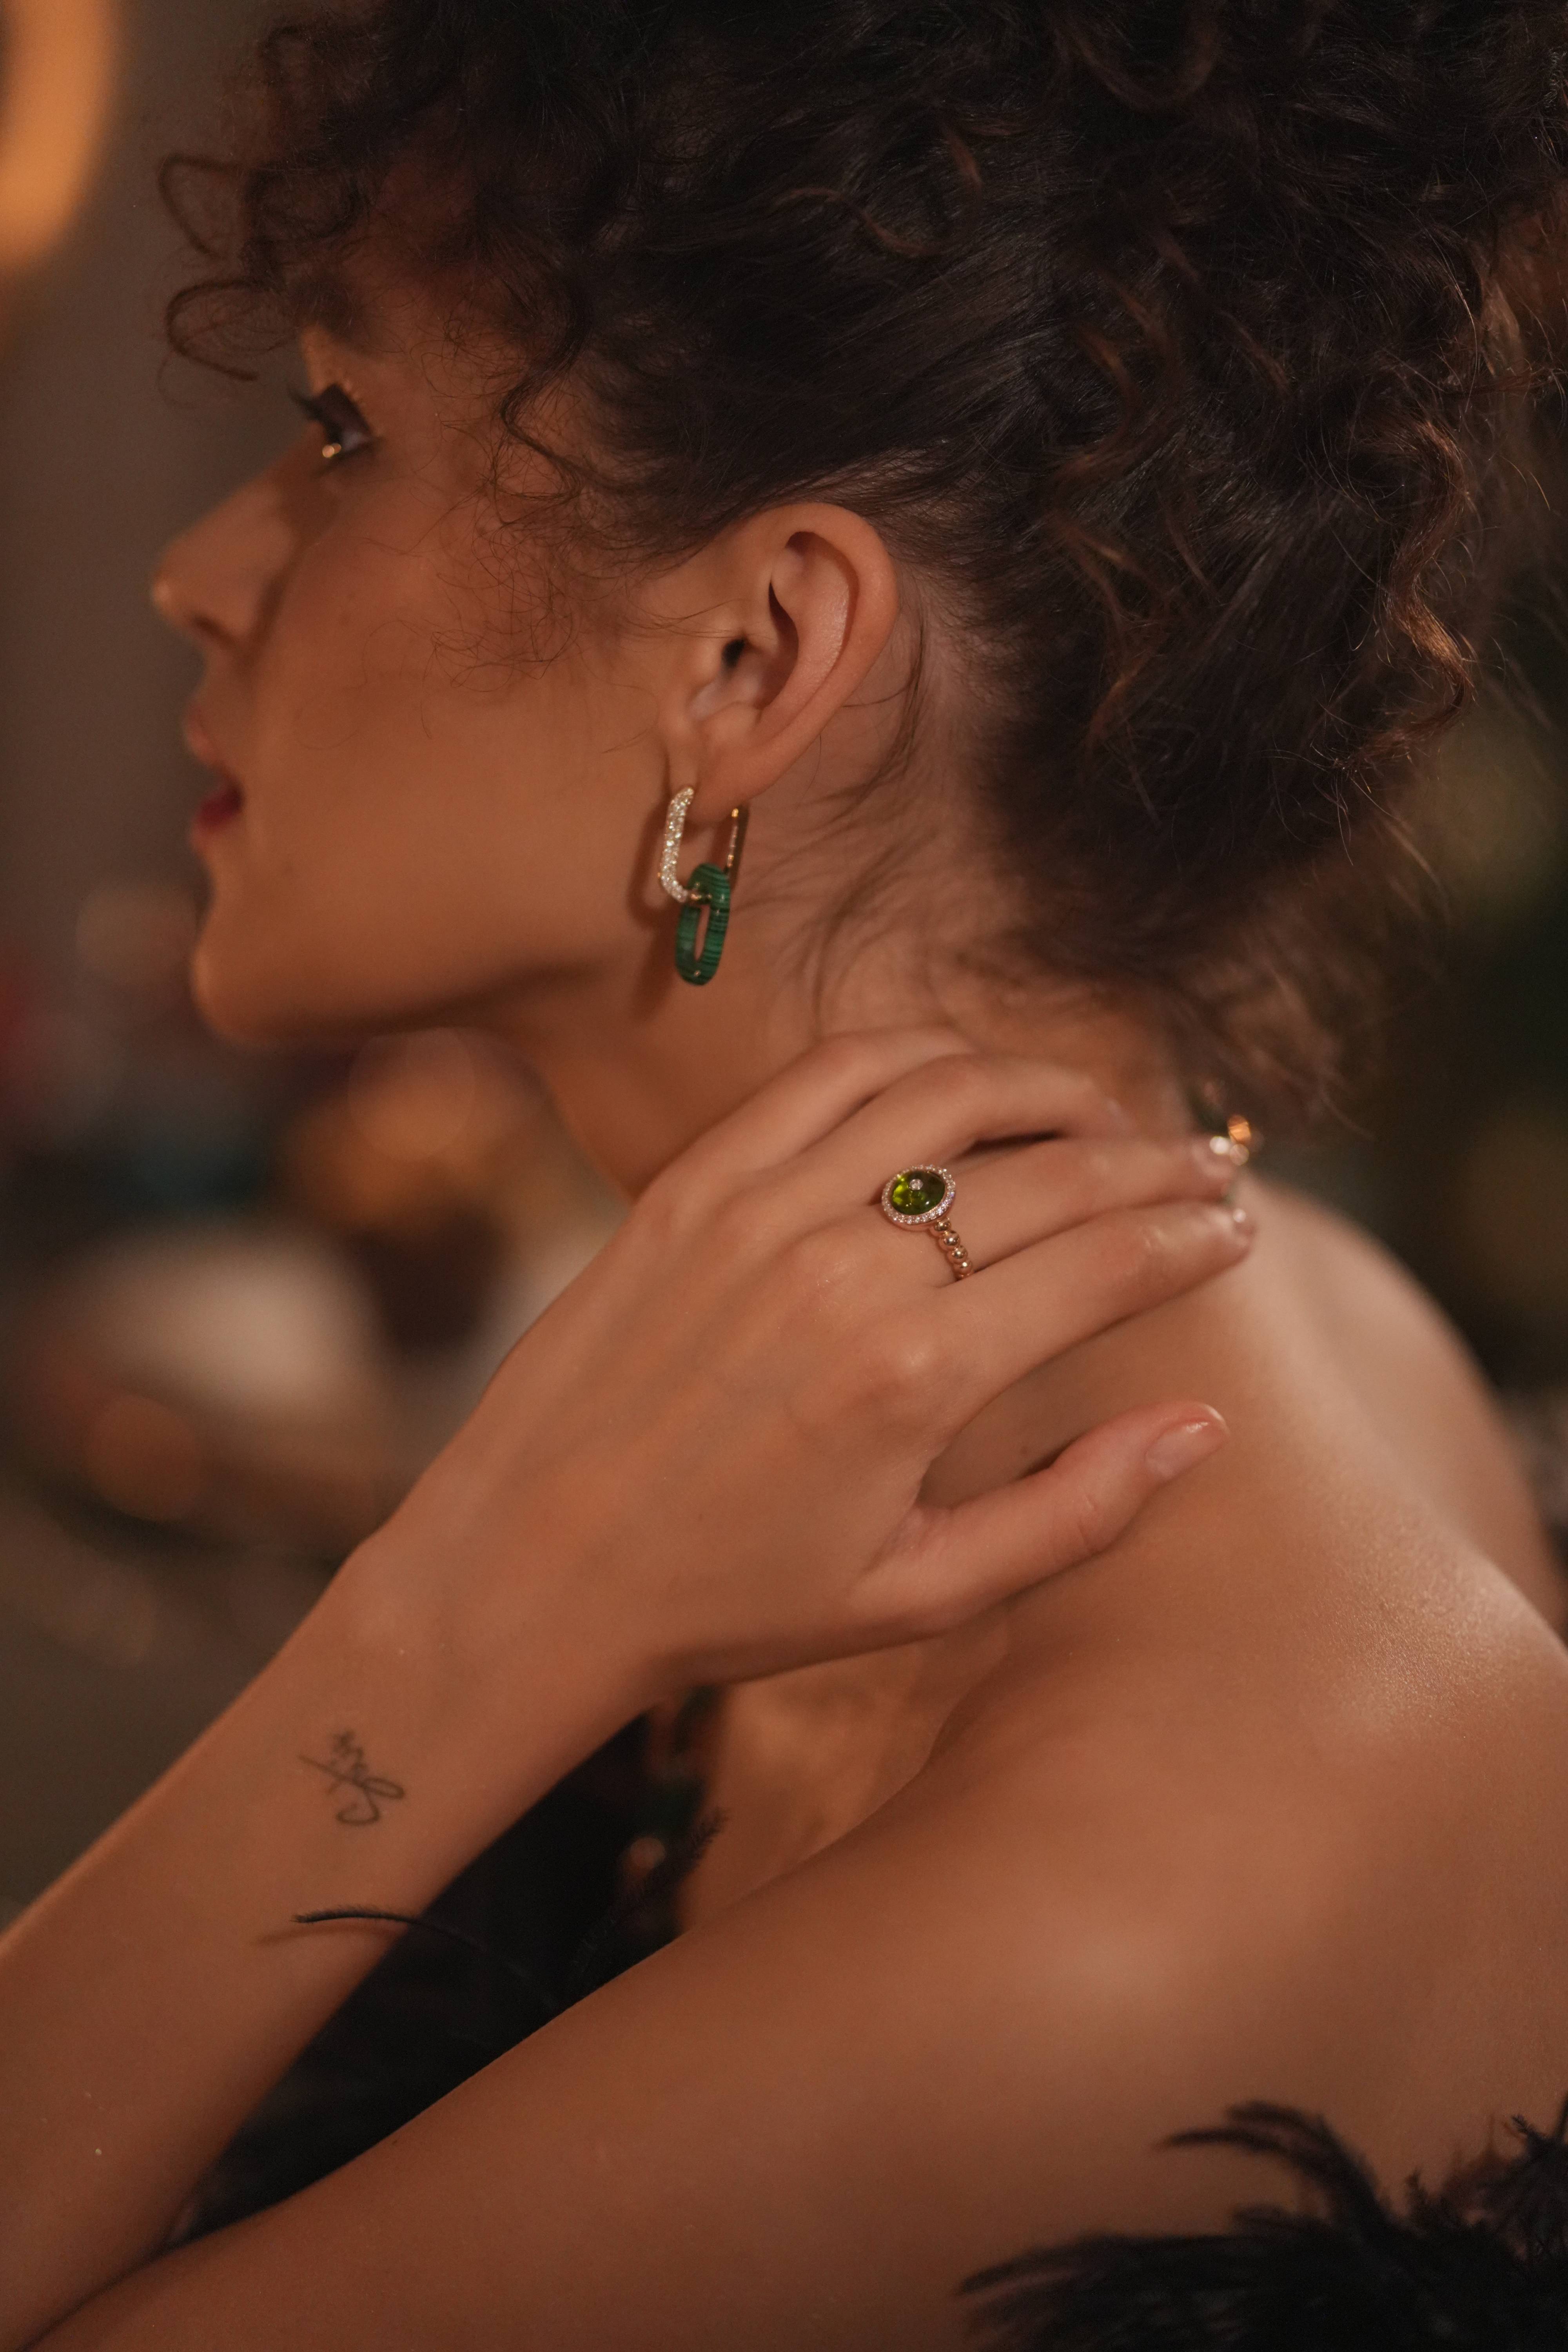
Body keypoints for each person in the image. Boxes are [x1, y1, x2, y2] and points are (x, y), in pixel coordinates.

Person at [3, 2, 1568, 2344]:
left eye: (341, 434)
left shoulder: (1131, 1891)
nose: (202, 572)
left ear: (757, 653)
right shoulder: (1063, 1358)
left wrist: (465, 1620)